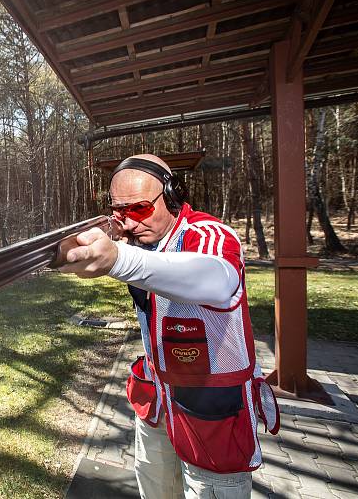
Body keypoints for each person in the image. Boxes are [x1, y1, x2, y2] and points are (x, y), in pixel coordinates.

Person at [57, 154, 279, 499]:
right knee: (154, 490)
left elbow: (215, 278)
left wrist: (118, 259)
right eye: (119, 211)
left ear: (173, 195)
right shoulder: (139, 240)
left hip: (212, 411)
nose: (127, 223)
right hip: (158, 403)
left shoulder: (208, 233)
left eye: (140, 209)